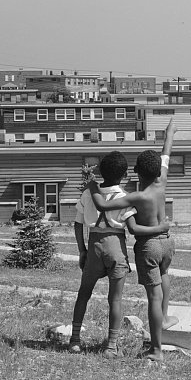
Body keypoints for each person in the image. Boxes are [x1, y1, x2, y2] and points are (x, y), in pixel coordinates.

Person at [89, 117, 178, 362]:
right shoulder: (162, 182)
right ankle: (166, 317)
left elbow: (102, 205)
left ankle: (157, 350)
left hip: (148, 247)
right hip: (167, 242)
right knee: (165, 276)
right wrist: (170, 131)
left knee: (153, 296)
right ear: (158, 170)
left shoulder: (136, 197)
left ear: (137, 172)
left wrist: (93, 185)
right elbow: (167, 151)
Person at [67, 150, 168, 357]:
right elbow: (131, 225)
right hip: (116, 247)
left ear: (102, 171)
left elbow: (77, 224)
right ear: (124, 175)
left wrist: (82, 250)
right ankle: (111, 346)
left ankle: (75, 340)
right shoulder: (125, 197)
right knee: (115, 299)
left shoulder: (88, 193)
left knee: (83, 294)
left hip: (93, 244)